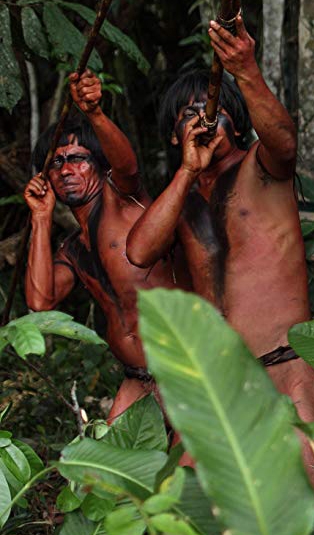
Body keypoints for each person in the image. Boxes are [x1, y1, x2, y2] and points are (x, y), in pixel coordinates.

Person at [125, 15, 314, 503]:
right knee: (191, 510)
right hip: (219, 384)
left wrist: (246, 70)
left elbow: (285, 141)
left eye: (212, 108)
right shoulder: (180, 198)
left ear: (235, 121)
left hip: (286, 366)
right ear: (175, 136)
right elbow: (139, 251)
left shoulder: (263, 168)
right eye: (188, 114)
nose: (203, 116)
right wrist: (185, 173)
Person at [24, 71, 190, 421]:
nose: (66, 169)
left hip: (186, 368)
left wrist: (95, 113)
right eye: (56, 162)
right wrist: (40, 218)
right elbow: (41, 301)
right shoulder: (73, 249)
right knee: (103, 473)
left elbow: (127, 166)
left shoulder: (126, 201)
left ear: (98, 166)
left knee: (192, 470)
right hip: (138, 380)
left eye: (77, 158)